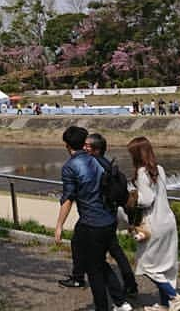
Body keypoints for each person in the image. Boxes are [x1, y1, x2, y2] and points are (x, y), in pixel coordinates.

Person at [54, 126, 132, 311]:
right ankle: (121, 302)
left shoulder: (71, 166)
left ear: (66, 145)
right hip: (107, 219)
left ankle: (104, 306)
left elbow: (68, 198)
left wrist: (59, 225)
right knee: (95, 259)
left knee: (95, 269)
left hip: (93, 223)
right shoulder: (98, 160)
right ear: (84, 143)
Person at [127, 136, 180, 311]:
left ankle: (174, 297)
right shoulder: (159, 168)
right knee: (166, 265)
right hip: (168, 220)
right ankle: (164, 305)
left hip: (153, 223)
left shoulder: (141, 173)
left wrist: (132, 197)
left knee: (147, 264)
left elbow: (146, 200)